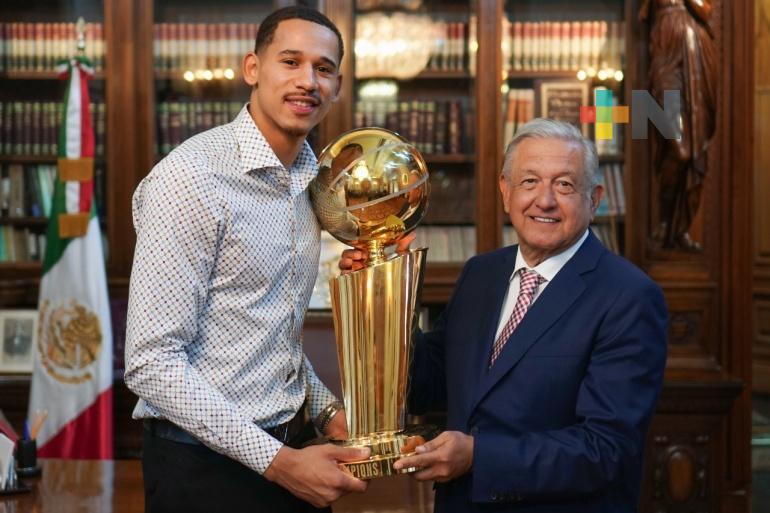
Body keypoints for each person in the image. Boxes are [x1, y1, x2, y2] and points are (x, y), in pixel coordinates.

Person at [341, 118, 668, 512]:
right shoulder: (481, 274)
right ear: (505, 191)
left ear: (594, 198)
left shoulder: (629, 296)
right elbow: (428, 385)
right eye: (529, 181)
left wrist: (478, 455)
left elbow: (606, 449)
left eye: (564, 184)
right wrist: (380, 297)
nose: (544, 200)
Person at [125, 6, 368, 513]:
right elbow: (152, 364)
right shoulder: (190, 179)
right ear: (252, 69)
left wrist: (327, 414)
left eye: (323, 69)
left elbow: (267, 334)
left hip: (292, 451)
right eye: (290, 61)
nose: (308, 81)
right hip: (201, 472)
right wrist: (278, 462)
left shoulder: (310, 185)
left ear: (338, 86)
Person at [640, 0, 717, 251]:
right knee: (678, 149)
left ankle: (679, 229)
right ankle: (663, 221)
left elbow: (705, 10)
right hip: (666, 61)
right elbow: (642, 15)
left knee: (695, 149)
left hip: (696, 57)